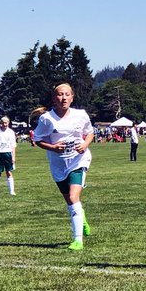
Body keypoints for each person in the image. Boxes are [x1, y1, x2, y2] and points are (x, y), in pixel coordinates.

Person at [33, 83, 94, 251]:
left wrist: (85, 144)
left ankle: (77, 240)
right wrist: (52, 147)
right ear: (54, 98)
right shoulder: (46, 119)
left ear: (72, 97)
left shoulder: (81, 115)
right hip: (58, 164)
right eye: (60, 95)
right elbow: (38, 140)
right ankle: (82, 219)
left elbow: (90, 132)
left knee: (74, 197)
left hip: (78, 160)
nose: (64, 98)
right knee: (70, 201)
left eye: (67, 94)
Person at [0, 116, 17, 195]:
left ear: (8, 123)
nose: (5, 124)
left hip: (8, 153)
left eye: (6, 123)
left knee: (9, 172)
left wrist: (13, 156)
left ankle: (11, 191)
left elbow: (13, 145)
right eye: (3, 123)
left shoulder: (11, 132)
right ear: (1, 123)